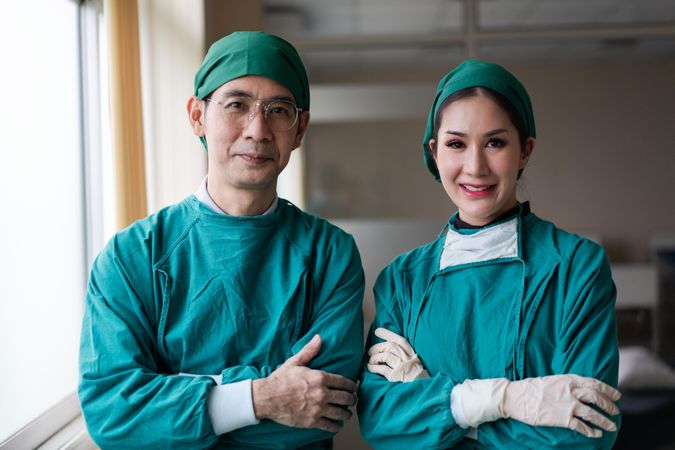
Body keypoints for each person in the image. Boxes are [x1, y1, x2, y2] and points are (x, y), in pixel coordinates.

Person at [79, 31, 364, 449]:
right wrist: (262, 397)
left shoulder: (330, 255)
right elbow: (113, 415)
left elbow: (321, 406)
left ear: (299, 129)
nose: (258, 129)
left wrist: (181, 398)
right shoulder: (130, 258)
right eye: (236, 105)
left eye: (279, 110)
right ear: (198, 115)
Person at [357, 60, 621, 449]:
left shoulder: (576, 267)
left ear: (525, 150)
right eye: (456, 144)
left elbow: (588, 434)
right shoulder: (402, 280)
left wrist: (434, 401)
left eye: (495, 142)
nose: (475, 166)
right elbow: (380, 420)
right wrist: (506, 401)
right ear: (435, 152)